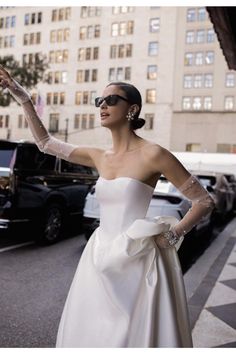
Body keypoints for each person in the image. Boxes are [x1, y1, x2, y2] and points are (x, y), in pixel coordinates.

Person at [0, 65, 215, 348]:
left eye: (111, 100)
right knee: (93, 333)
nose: (103, 105)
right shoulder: (98, 156)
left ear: (132, 109)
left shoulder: (154, 154)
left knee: (129, 336)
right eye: (99, 101)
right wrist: (22, 96)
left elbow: (204, 201)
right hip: (99, 257)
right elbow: (44, 143)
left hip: (138, 260)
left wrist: (175, 233)